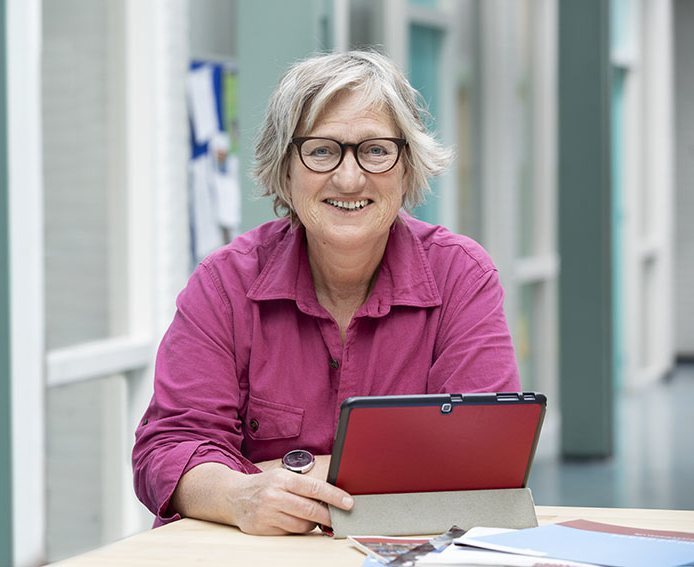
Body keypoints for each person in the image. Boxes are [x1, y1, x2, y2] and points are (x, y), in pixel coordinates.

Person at [132, 50, 520, 536]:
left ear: (407, 167)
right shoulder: (224, 283)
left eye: (376, 150)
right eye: (321, 151)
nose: (349, 177)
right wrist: (239, 495)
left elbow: (481, 456)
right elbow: (168, 449)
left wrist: (293, 473)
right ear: (285, 168)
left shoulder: (460, 275)